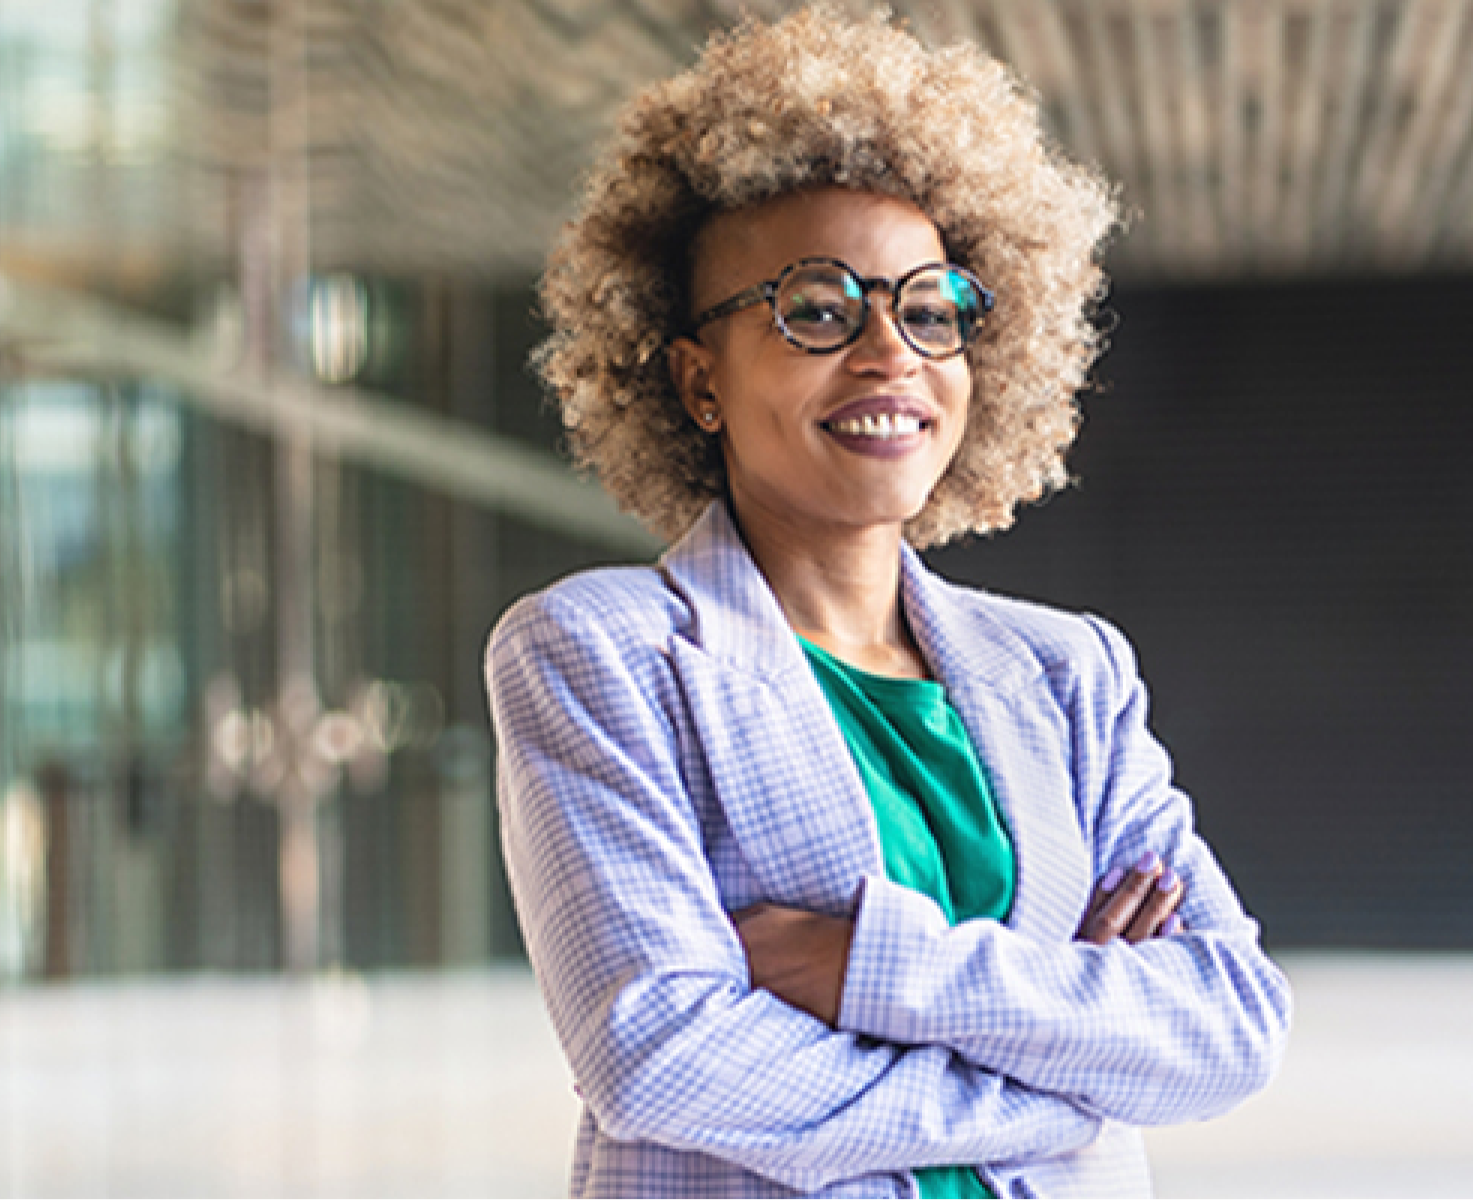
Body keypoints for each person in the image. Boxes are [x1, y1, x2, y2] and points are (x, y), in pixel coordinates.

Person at [487, 10, 1290, 1198]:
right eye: (816, 307)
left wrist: (875, 967)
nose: (888, 351)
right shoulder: (599, 653)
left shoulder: (1070, 674)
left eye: (929, 308)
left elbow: (1226, 1023)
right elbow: (660, 1054)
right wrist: (1065, 1084)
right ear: (698, 378)